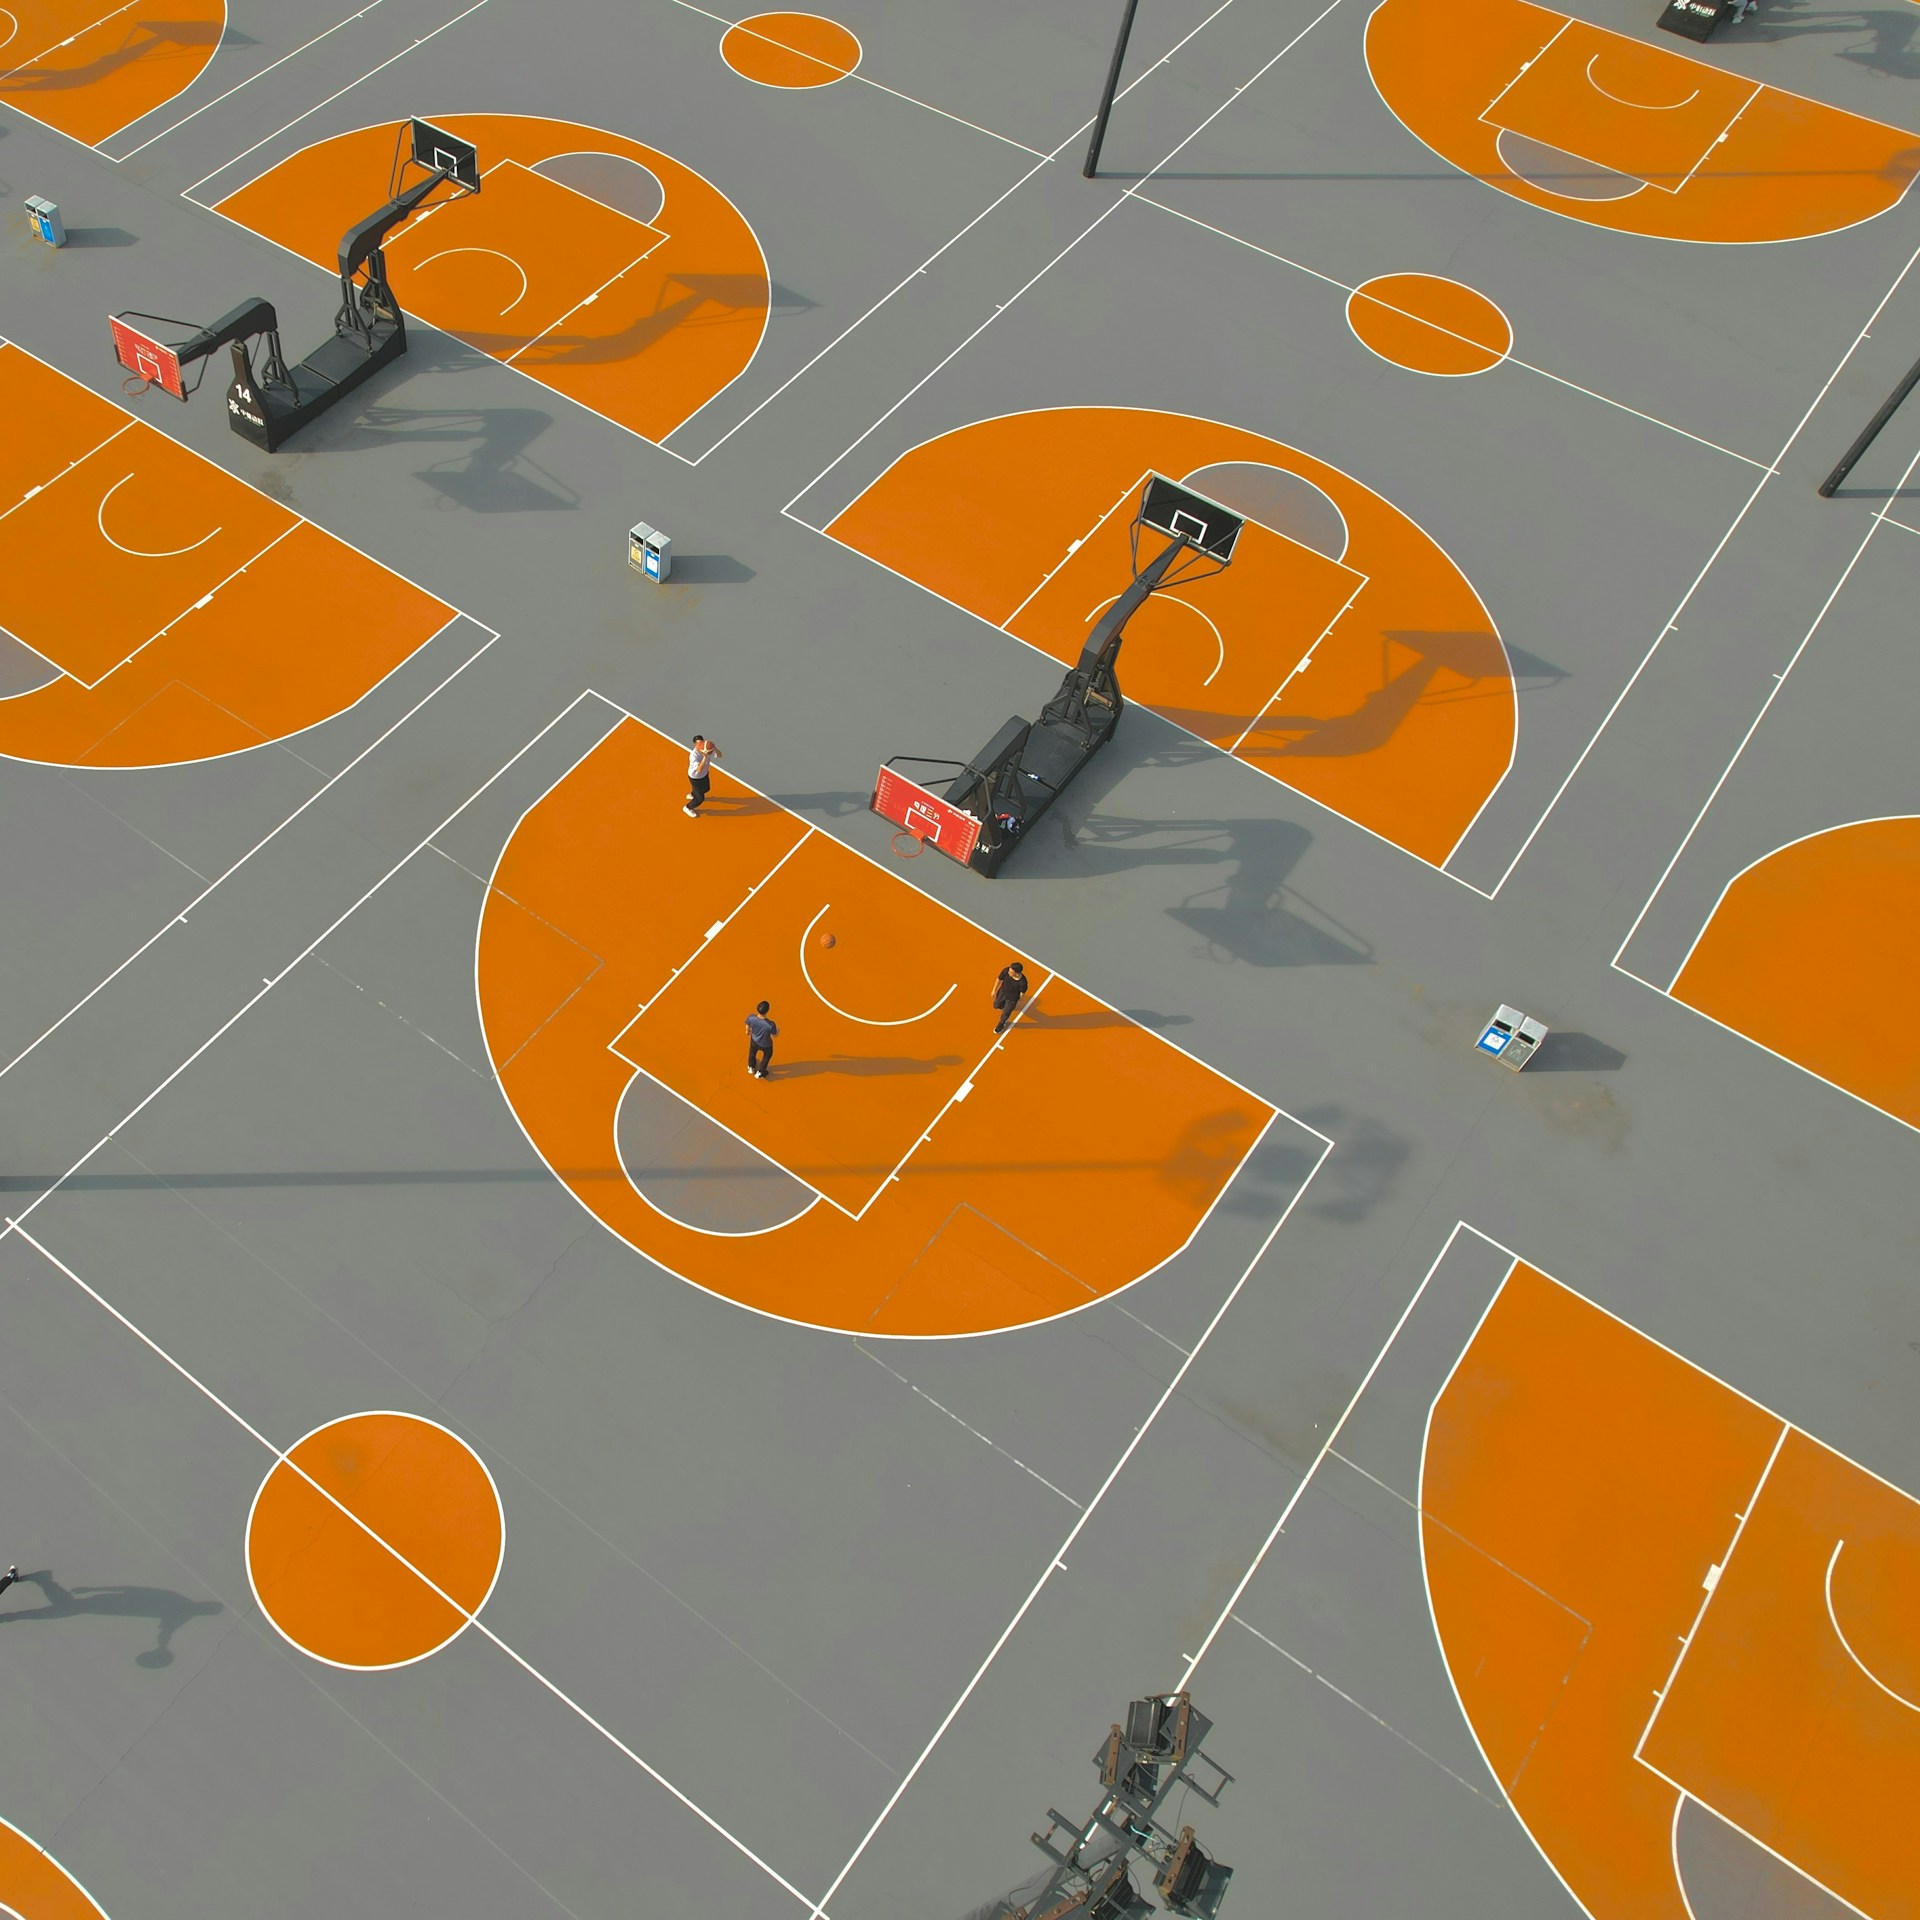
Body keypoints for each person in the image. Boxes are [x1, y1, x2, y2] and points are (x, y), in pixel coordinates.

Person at [684, 735, 721, 817]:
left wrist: (714, 747)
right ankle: (688, 807)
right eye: (698, 744)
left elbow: (719, 755)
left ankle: (692, 794)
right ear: (694, 745)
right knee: (700, 798)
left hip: (704, 775)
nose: (700, 745)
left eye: (702, 743)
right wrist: (705, 756)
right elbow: (699, 769)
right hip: (695, 778)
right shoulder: (694, 755)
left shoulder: (706, 748)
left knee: (707, 789)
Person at [991, 961, 1030, 1034]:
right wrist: (994, 990)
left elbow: (1022, 994)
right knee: (996, 1005)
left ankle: (1002, 1024)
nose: (1009, 972)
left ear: (1016, 973)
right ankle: (1005, 1007)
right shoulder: (1006, 971)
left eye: (1011, 972)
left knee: (1005, 1013)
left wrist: (1018, 1001)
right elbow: (999, 979)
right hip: (1002, 992)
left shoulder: (1023, 982)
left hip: (1012, 999)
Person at [745, 1000, 778, 1079]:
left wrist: (747, 1031)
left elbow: (747, 1026)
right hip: (766, 1044)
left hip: (754, 1040)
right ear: (767, 1011)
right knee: (767, 1056)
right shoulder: (770, 1024)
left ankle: (751, 1067)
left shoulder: (751, 1018)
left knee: (752, 1053)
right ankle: (760, 1072)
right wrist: (778, 1030)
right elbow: (775, 1034)